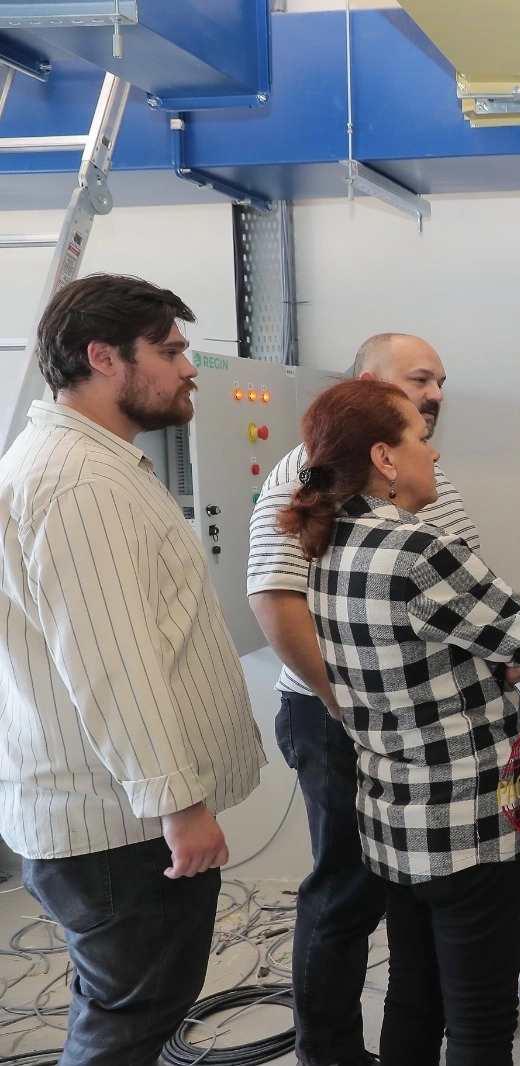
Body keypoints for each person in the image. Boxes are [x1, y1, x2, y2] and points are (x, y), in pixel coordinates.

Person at [0, 273, 265, 1065]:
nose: (189, 370)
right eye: (172, 351)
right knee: (127, 1026)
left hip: (113, 816)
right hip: (121, 829)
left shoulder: (89, 465)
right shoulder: (80, 483)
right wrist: (178, 806)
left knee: (126, 1012)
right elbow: (112, 666)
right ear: (104, 357)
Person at [278, 378, 520, 1066]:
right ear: (384, 457)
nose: (433, 453)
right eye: (419, 438)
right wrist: (510, 646)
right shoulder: (418, 548)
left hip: (391, 819)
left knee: (414, 997)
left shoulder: (329, 543)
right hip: (467, 825)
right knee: (480, 1022)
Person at [247, 334, 477, 1066]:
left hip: (410, 721)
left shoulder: (421, 472)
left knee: (419, 885)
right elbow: (275, 598)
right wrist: (346, 701)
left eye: (440, 381)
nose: (436, 394)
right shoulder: (308, 472)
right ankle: (331, 1054)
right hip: (339, 719)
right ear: (368, 383)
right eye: (420, 379)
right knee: (348, 891)